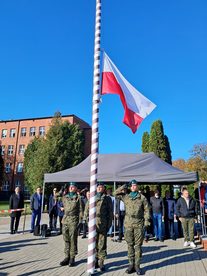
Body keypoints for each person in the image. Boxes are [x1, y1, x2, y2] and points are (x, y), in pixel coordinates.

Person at [115, 179, 150, 275]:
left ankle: (137, 265)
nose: (134, 187)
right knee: (130, 245)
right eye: (132, 185)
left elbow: (147, 210)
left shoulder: (142, 198)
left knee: (138, 246)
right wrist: (123, 186)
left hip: (139, 223)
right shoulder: (126, 197)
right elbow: (115, 193)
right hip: (128, 223)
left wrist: (146, 221)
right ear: (130, 187)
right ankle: (131, 264)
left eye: (135, 185)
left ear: (137, 186)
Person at [84, 183, 113, 271]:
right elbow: (86, 210)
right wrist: (87, 222)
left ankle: (101, 262)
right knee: (94, 244)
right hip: (93, 224)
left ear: (104, 188)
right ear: (96, 188)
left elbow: (110, 212)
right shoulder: (92, 198)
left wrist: (109, 225)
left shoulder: (107, 198)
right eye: (98, 187)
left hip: (103, 223)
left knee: (102, 244)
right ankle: (94, 261)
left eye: (101, 187)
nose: (100, 189)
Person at [59, 182, 83, 267]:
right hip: (65, 220)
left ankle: (72, 257)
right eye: (70, 187)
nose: (71, 188)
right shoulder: (65, 197)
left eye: (73, 187)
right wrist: (61, 190)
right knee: (66, 239)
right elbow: (56, 197)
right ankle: (67, 257)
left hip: (73, 220)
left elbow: (81, 210)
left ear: (76, 188)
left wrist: (80, 221)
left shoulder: (78, 198)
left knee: (73, 239)